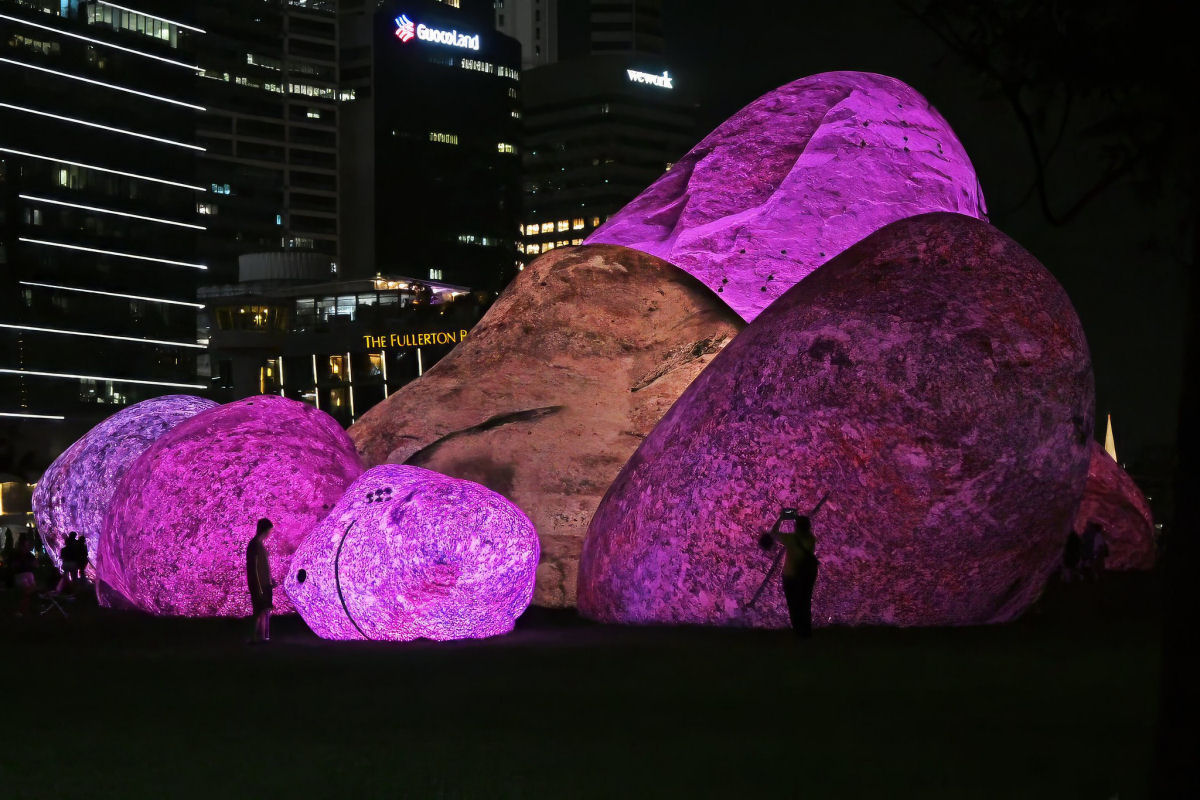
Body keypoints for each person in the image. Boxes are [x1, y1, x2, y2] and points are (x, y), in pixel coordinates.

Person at [761, 509, 819, 638]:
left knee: (794, 604)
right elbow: (804, 528)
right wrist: (798, 519)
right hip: (807, 575)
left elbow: (773, 533)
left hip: (791, 576)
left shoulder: (791, 539)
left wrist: (782, 518)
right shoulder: (811, 539)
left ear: (796, 527)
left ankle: (798, 632)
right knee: (805, 602)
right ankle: (806, 632)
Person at [246, 518, 274, 643]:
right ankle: (253, 637)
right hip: (259, 585)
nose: (270, 533)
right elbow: (253, 567)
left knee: (265, 611)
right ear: (265, 530)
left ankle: (264, 638)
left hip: (265, 585)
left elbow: (263, 565)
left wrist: (270, 579)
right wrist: (258, 587)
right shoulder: (254, 545)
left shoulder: (260, 545)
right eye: (269, 530)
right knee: (258, 612)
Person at [13, 534, 38, 617]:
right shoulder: (20, 554)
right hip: (23, 575)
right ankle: (22, 610)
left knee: (29, 592)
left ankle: (25, 610)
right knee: (27, 593)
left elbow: (35, 564)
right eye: (26, 543)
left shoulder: (26, 554)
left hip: (26, 574)